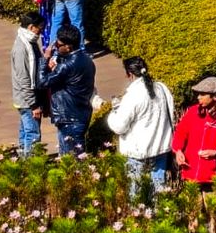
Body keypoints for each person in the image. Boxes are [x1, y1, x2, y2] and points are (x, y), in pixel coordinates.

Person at [108, 57, 175, 198]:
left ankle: (139, 218)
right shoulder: (162, 88)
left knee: (136, 194)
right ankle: (158, 216)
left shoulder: (133, 95)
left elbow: (119, 126)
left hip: (137, 153)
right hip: (160, 148)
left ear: (129, 74)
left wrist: (113, 113)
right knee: (158, 191)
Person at [171, 76, 216, 187]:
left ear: (215, 96)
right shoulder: (192, 111)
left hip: (214, 179)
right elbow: (180, 133)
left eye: (203, 94)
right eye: (198, 94)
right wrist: (178, 151)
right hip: (190, 176)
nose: (198, 97)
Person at [38, 25, 96, 155]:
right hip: (81, 112)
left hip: (69, 117)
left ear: (68, 47)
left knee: (70, 159)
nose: (55, 48)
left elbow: (43, 82)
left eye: (58, 45)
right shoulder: (87, 60)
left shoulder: (67, 65)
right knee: (76, 155)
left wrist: (45, 59)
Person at [11, 12, 47, 156]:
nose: (42, 31)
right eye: (40, 28)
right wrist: (34, 105)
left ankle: (22, 161)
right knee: (33, 134)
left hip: (27, 99)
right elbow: (23, 79)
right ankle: (31, 165)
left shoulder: (29, 42)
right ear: (31, 27)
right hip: (27, 101)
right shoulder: (22, 48)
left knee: (25, 132)